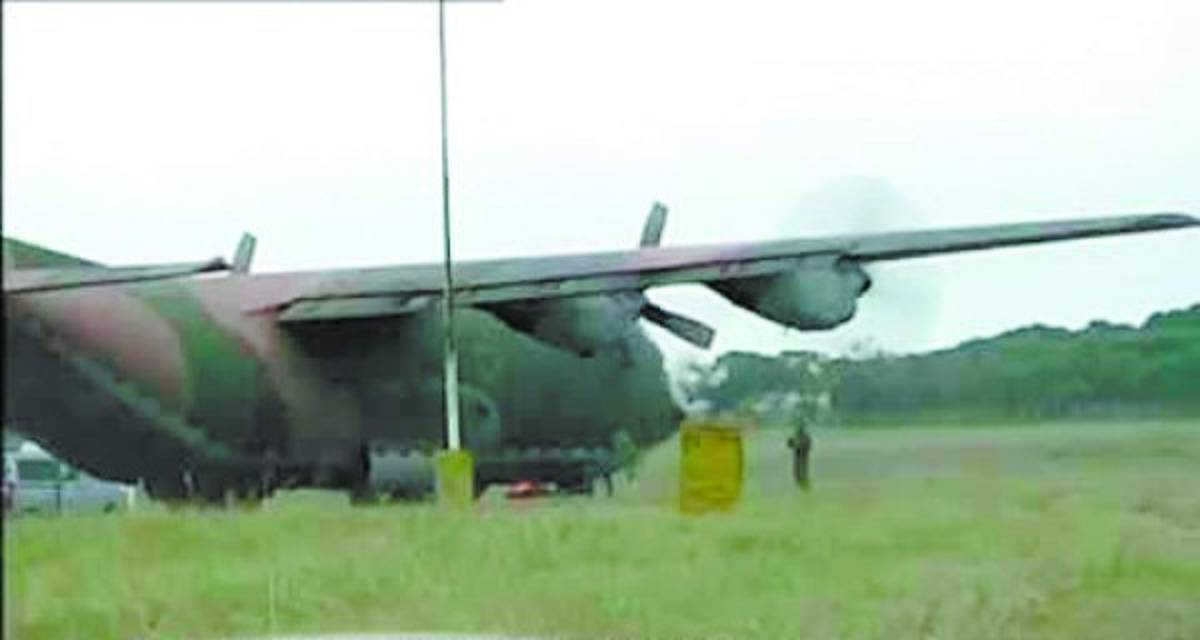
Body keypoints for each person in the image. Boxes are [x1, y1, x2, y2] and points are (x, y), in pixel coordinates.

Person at [786, 423, 813, 490]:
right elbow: (791, 445)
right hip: (799, 455)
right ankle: (801, 481)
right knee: (798, 471)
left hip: (802, 455)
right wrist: (792, 444)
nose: (798, 432)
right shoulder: (798, 437)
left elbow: (808, 445)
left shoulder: (804, 437)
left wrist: (796, 445)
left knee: (802, 470)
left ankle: (803, 482)